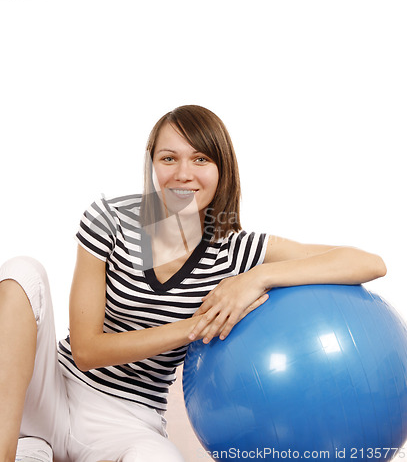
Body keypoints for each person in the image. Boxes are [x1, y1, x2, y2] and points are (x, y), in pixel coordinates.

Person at [0, 105, 387, 462]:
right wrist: (193, 327)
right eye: (169, 158)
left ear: (222, 169)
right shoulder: (112, 218)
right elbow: (86, 350)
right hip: (53, 389)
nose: (183, 173)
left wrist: (258, 277)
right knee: (23, 271)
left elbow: (368, 263)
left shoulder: (234, 248)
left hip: (129, 419)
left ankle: (34, 449)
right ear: (152, 164)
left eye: (200, 158)